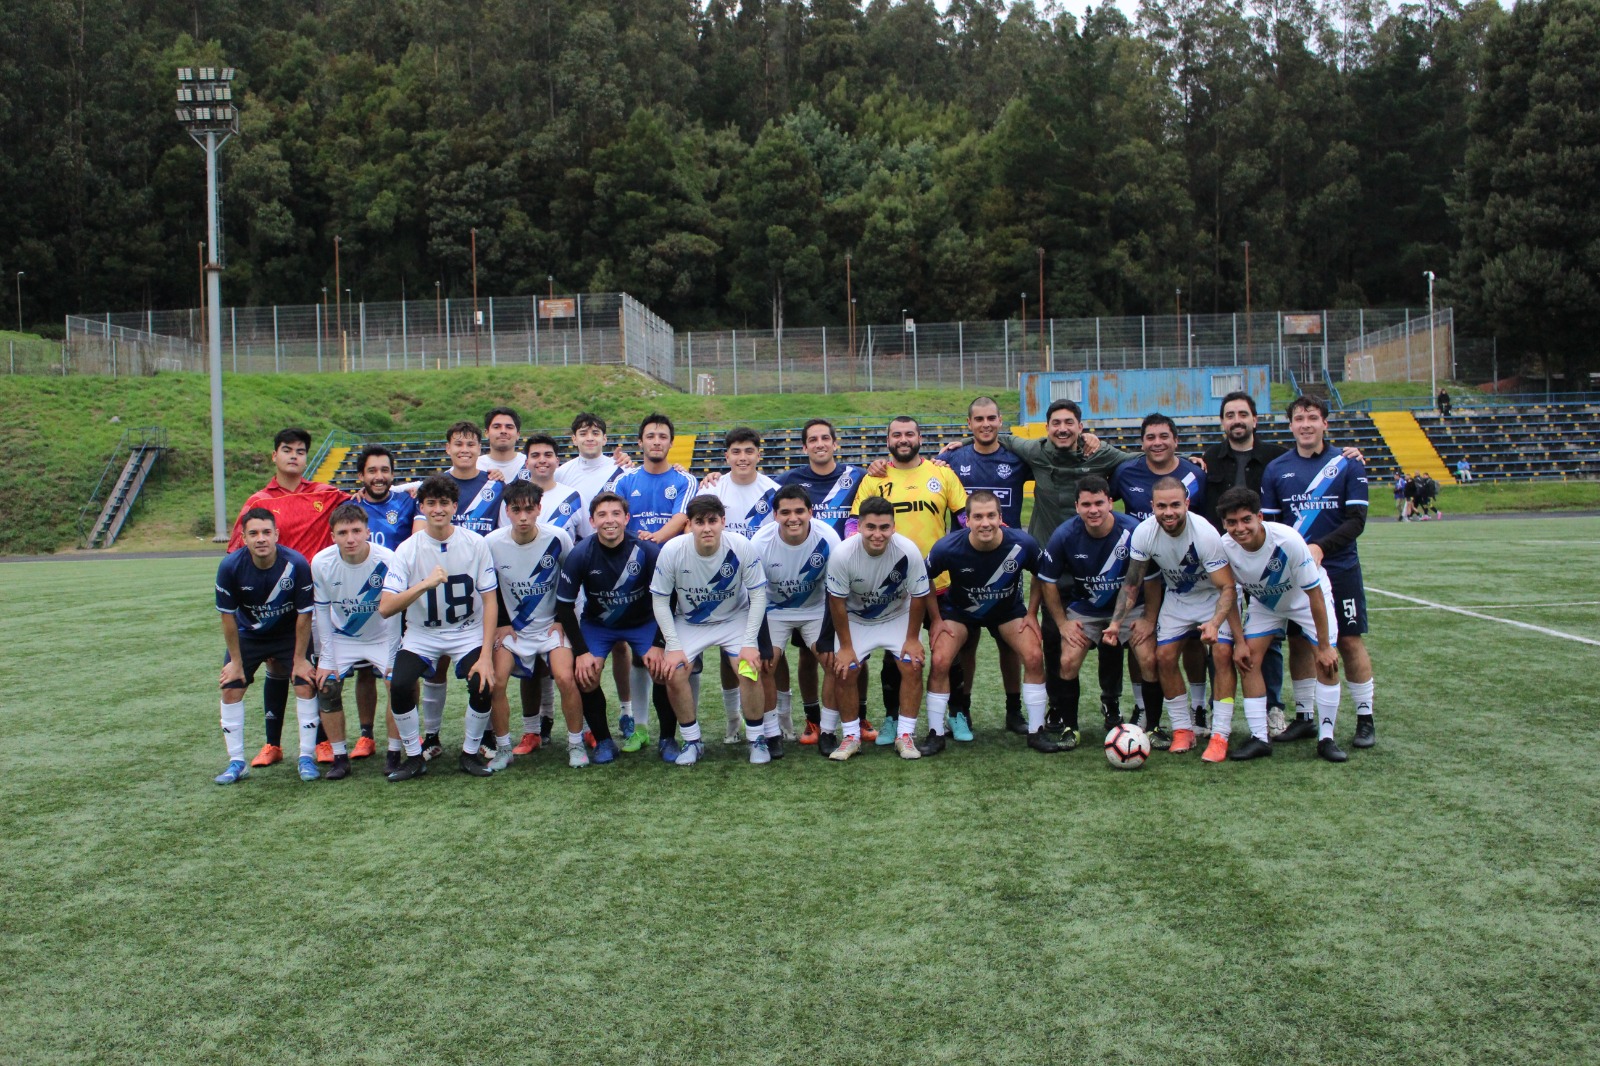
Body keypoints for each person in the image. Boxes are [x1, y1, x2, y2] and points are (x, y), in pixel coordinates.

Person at [1260, 396, 1377, 750]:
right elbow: (1273, 525)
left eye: (1313, 417)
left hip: (1339, 569)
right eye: (1299, 418)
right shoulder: (1277, 468)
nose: (1306, 424)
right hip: (1296, 575)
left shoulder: (1347, 464)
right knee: (1299, 641)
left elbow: (1356, 521)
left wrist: (1322, 548)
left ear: (1325, 423)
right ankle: (1305, 717)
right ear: (1291, 425)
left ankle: (1365, 718)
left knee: (1348, 640)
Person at [226, 428, 348, 767]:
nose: (294, 456)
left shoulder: (327, 494)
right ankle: (272, 744)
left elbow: (372, 495)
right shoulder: (258, 502)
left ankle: (322, 742)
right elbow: (237, 551)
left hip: (313, 600)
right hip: (271, 604)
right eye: (286, 450)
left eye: (300, 451)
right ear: (274, 456)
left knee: (311, 668)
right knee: (276, 668)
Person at [853, 415, 967, 746]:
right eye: (896, 434)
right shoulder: (875, 478)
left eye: (909, 434)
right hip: (893, 585)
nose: (903, 439)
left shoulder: (941, 472)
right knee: (895, 654)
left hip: (940, 579)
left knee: (949, 649)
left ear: (920, 438)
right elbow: (854, 525)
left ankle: (955, 713)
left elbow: (963, 518)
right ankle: (892, 718)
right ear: (888, 440)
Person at [1103, 478, 1238, 756]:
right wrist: (1116, 623)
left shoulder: (1204, 534)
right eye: (1161, 506)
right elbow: (1132, 583)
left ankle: (1220, 735)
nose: (1169, 512)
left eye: (1175, 505)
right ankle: (1183, 731)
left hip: (1212, 598)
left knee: (1222, 654)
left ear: (1186, 504)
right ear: (1152, 506)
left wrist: (1214, 623)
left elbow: (1227, 586)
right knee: (1163, 657)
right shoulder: (1144, 532)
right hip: (1177, 598)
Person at [378, 475, 500, 781]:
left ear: (454, 506)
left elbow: (490, 601)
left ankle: (470, 754)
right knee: (401, 684)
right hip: (423, 633)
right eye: (431, 503)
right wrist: (425, 584)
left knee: (483, 682)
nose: (438, 509)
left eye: (444, 503)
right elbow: (386, 607)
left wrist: (486, 655)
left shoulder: (475, 543)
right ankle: (414, 756)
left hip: (466, 631)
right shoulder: (408, 549)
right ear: (421, 507)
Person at [920, 490, 1055, 755]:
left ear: (1000, 517)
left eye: (991, 516)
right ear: (967, 520)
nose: (985, 523)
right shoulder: (948, 547)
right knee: (940, 660)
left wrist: (1032, 614)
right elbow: (923, 578)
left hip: (1007, 611)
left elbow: (1043, 574)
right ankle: (936, 733)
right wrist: (936, 619)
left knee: (1034, 656)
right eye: (978, 517)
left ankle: (1034, 730)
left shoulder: (1023, 544)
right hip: (961, 612)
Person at [1216, 488, 1345, 762]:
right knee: (1248, 659)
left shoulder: (1288, 540)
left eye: (1246, 520)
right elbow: (1230, 595)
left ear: (1260, 517)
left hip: (1305, 599)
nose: (1240, 528)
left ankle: (1326, 738)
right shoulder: (1224, 546)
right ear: (1224, 524)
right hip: (1266, 602)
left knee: (1326, 661)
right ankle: (1260, 738)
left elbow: (1314, 595)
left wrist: (1323, 646)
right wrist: (1239, 642)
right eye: (1232, 522)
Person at [1036, 476, 1162, 750]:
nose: (1093, 510)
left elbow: (1151, 580)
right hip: (1087, 608)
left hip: (1132, 607)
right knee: (1067, 660)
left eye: (1099, 503)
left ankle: (1153, 727)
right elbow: (1047, 581)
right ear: (1077, 506)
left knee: (1149, 659)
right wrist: (1062, 624)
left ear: (1110, 502)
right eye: (1086, 504)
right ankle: (1071, 727)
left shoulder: (1134, 531)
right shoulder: (1065, 535)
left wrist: (1149, 620)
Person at [933, 397, 1034, 736]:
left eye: (992, 418)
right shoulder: (951, 459)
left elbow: (1055, 460)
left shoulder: (1017, 458)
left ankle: (1013, 710)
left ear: (1000, 420)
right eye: (979, 419)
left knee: (1009, 643)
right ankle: (963, 710)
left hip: (1006, 560)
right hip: (964, 560)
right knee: (966, 642)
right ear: (969, 422)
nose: (986, 424)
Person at [650, 495, 771, 766]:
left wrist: (750, 642)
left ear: (723, 522)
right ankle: (692, 741)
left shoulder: (740, 546)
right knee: (674, 671)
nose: (707, 528)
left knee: (748, 667)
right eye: (699, 522)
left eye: (713, 521)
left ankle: (756, 739)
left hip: (733, 619)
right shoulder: (672, 550)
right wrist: (673, 645)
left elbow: (758, 596)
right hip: (690, 622)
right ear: (689, 525)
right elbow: (659, 599)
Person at [553, 491, 670, 764]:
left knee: (663, 670)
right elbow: (564, 607)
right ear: (592, 521)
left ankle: (667, 739)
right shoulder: (581, 553)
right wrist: (581, 652)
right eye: (602, 515)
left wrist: (658, 644)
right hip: (599, 624)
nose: (610, 520)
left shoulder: (649, 551)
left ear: (627, 518)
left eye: (616, 514)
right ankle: (604, 741)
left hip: (643, 622)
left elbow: (668, 599)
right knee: (586, 673)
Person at [1111, 413, 1208, 736]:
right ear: (1142, 442)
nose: (1157, 443)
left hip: (1187, 572)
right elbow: (1103, 501)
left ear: (1176, 441)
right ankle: (1142, 705)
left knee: (1194, 641)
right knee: (1140, 639)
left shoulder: (1194, 474)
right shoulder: (1126, 472)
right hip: (1144, 570)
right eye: (1150, 437)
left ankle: (1198, 707)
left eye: (1164, 436)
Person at [605, 413, 698, 747]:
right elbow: (613, 516)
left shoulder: (685, 481)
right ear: (640, 442)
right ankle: (640, 727)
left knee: (681, 655)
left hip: (676, 577)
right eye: (650, 436)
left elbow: (682, 517)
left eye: (662, 436)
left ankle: (683, 729)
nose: (656, 441)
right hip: (633, 575)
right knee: (641, 655)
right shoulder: (625, 481)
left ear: (671, 443)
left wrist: (654, 537)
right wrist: (638, 544)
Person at [823, 496, 940, 762]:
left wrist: (912, 638)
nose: (878, 534)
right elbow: (836, 603)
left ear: (893, 527)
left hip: (896, 616)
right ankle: (851, 737)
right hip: (856, 619)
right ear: (860, 526)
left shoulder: (908, 550)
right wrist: (846, 647)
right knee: (845, 670)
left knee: (912, 664)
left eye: (884, 527)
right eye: (871, 527)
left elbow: (919, 595)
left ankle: (905, 735)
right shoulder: (843, 554)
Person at [774, 418, 866, 743]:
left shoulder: (856, 475)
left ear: (835, 443)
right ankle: (813, 718)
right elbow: (754, 485)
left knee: (854, 650)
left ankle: (861, 714)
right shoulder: (790, 480)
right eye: (812, 440)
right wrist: (713, 477)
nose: (819, 444)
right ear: (804, 447)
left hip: (848, 575)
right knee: (807, 655)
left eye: (825, 438)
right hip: (806, 583)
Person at [485, 481, 588, 770]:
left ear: (540, 509)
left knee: (565, 678)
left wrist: (562, 620)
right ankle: (503, 748)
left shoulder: (557, 538)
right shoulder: (491, 543)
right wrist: (502, 623)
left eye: (529, 510)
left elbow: (572, 583)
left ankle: (575, 743)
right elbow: (486, 589)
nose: (523, 517)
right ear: (506, 512)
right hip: (514, 630)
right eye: (516, 510)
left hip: (551, 627)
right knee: (497, 682)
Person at [212, 507, 317, 784]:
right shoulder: (230, 567)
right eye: (254, 533)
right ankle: (236, 762)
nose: (261, 539)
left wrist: (300, 659)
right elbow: (227, 617)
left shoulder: (297, 564)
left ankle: (306, 757)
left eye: (266, 532)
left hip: (288, 633)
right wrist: (235, 662)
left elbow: (305, 614)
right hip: (250, 635)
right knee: (230, 688)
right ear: (243, 537)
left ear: (277, 535)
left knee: (305, 682)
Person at [554, 412, 639, 745]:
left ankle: (627, 710)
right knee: (584, 645)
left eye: (595, 433)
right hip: (583, 566)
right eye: (583, 433)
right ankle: (589, 725)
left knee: (620, 645)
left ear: (605, 438)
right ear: (573, 439)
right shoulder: (562, 472)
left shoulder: (621, 470)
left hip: (619, 565)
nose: (589, 438)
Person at [694, 428, 781, 743]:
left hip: (760, 586)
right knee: (725, 655)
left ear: (759, 454)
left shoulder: (774, 490)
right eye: (736, 451)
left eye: (748, 451)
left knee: (762, 658)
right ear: (726, 456)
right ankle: (733, 721)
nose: (742, 457)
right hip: (720, 585)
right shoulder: (714, 490)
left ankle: (774, 722)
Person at [310, 503, 402, 780]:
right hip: (343, 637)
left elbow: (396, 608)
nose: (350, 538)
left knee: (398, 682)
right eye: (343, 533)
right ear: (332, 536)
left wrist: (394, 655)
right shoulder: (321, 562)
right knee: (326, 685)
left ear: (368, 532)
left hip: (382, 636)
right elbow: (322, 613)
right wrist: (326, 659)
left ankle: (394, 753)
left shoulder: (388, 559)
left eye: (356, 531)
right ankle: (339, 757)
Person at [751, 485, 844, 754]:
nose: (793, 518)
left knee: (834, 662)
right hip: (774, 610)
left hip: (815, 609)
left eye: (800, 511)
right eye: (786, 512)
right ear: (775, 515)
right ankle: (772, 733)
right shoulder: (760, 543)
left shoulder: (827, 538)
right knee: (765, 665)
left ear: (811, 512)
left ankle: (826, 730)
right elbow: (754, 596)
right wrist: (764, 644)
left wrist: (827, 640)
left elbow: (835, 593)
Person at [348, 444, 417, 760]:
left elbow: (435, 486)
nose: (379, 477)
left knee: (401, 671)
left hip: (398, 599)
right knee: (365, 671)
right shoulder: (350, 505)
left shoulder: (407, 502)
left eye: (385, 470)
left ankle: (405, 735)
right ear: (361, 475)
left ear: (393, 474)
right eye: (372, 471)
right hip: (361, 599)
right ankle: (366, 735)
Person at [478, 406, 529, 482]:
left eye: (509, 427)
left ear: (518, 434)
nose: (503, 431)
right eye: (496, 427)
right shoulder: (475, 466)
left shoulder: (530, 464)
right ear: (486, 433)